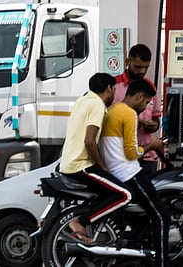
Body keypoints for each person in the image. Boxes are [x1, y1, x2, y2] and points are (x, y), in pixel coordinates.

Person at [102, 77, 169, 267]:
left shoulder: (114, 110)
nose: (146, 107)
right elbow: (132, 153)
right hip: (129, 172)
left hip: (115, 171)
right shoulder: (129, 113)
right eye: (146, 102)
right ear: (139, 96)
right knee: (162, 215)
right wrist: (151, 145)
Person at [60, 72, 132, 242]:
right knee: (125, 194)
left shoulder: (82, 101)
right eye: (114, 90)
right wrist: (102, 166)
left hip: (68, 164)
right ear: (108, 88)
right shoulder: (98, 105)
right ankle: (81, 222)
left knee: (108, 192)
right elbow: (89, 141)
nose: (114, 95)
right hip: (81, 166)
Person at [113, 43, 165, 174]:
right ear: (127, 62)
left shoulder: (150, 87)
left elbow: (156, 118)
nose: (142, 71)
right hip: (122, 156)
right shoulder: (113, 87)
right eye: (138, 67)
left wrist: (152, 125)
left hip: (148, 156)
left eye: (146, 67)